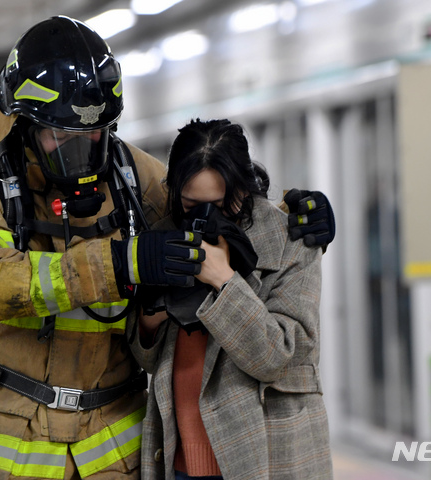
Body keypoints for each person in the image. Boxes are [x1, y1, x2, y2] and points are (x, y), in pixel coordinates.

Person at [0, 16, 335, 480]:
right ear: (22, 124)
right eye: (61, 138)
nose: (83, 152)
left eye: (95, 134)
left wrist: (288, 210)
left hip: (110, 449)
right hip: (3, 446)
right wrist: (124, 261)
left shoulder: (132, 175)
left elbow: (209, 205)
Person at [128, 119, 333, 480]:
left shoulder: (293, 241)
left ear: (244, 189)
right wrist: (154, 312)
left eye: (222, 206)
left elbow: (277, 358)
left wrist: (223, 280)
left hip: (263, 456)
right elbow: (144, 357)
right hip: (177, 457)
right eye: (191, 204)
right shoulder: (164, 237)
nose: (205, 218)